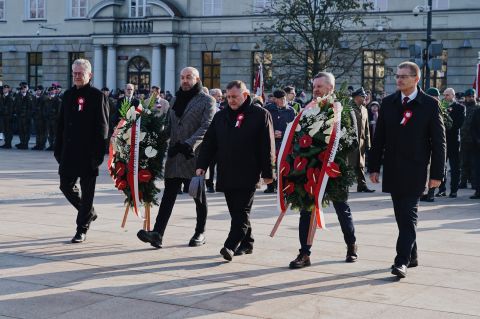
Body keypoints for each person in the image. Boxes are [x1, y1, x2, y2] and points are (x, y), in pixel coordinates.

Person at [369, 61, 446, 278]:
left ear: (416, 79)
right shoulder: (389, 103)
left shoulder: (429, 104)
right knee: (400, 216)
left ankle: (400, 261)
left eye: (404, 76)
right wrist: (374, 166)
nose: (399, 79)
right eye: (398, 76)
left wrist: (437, 174)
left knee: (409, 214)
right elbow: (379, 138)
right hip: (393, 168)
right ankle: (412, 255)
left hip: (416, 169)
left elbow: (439, 142)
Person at [136, 67, 216, 248]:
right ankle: (157, 233)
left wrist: (189, 143)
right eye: (182, 77)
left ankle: (200, 232)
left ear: (197, 79)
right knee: (168, 196)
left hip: (194, 157)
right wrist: (150, 141)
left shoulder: (207, 100)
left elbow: (207, 126)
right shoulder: (175, 100)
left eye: (189, 77)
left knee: (198, 196)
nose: (185, 81)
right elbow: (168, 126)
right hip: (174, 157)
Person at [196, 80, 275, 261]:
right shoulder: (220, 116)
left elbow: (267, 147)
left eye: (235, 97)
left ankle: (230, 245)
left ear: (245, 95)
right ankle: (247, 243)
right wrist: (202, 165)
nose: (231, 100)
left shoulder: (260, 114)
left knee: (241, 211)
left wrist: (269, 173)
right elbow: (209, 143)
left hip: (249, 172)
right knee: (236, 211)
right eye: (228, 97)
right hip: (226, 171)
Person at [289, 72, 359, 270]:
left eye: (319, 86)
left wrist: (330, 151)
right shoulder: (308, 110)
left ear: (331, 88)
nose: (315, 89)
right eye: (314, 86)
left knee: (341, 209)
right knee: (306, 210)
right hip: (311, 169)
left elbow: (353, 141)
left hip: (334, 170)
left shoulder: (343, 110)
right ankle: (304, 253)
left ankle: (351, 245)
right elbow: (298, 136)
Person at [54, 59, 109, 243]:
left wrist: (98, 154)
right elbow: (61, 124)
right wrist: (58, 148)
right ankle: (89, 212)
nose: (77, 76)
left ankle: (81, 228)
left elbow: (103, 128)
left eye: (81, 73)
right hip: (69, 151)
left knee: (88, 193)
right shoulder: (68, 94)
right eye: (75, 73)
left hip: (88, 153)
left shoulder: (97, 96)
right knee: (65, 186)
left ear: (89, 75)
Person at [264, 89, 296, 193]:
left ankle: (281, 185)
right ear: (275, 99)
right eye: (280, 99)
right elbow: (262, 125)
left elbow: (295, 127)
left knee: (284, 164)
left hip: (285, 141)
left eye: (284, 98)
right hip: (270, 141)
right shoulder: (267, 110)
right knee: (269, 164)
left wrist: (283, 133)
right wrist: (272, 132)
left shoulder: (291, 111)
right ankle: (270, 186)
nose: (283, 101)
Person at [437, 88, 465, 198]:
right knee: (441, 167)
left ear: (453, 95)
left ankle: (454, 190)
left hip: (453, 141)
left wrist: (447, 125)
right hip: (443, 141)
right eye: (444, 95)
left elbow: (459, 124)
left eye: (447, 95)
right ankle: (441, 189)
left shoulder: (460, 108)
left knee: (454, 167)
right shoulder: (441, 106)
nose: (445, 97)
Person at [350, 87, 374, 193]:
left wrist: (368, 142)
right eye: (363, 96)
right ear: (357, 97)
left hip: (361, 142)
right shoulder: (348, 108)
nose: (365, 97)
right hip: (350, 141)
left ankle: (362, 185)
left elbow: (367, 127)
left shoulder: (364, 109)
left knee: (361, 165)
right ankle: (343, 186)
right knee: (349, 164)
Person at [459, 88, 479, 189]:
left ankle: (475, 184)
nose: (470, 98)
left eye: (472, 96)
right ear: (465, 98)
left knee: (474, 163)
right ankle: (463, 182)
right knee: (464, 162)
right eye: (468, 97)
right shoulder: (463, 108)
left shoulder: (477, 108)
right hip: (464, 139)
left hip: (474, 140)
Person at [13, 84, 33, 149]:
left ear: (26, 89)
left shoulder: (29, 96)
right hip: (20, 117)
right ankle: (22, 142)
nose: (23, 90)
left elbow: (31, 108)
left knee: (26, 131)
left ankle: (25, 144)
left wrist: (28, 115)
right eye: (22, 89)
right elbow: (15, 105)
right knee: (21, 130)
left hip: (26, 117)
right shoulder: (18, 96)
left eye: (24, 89)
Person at [44, 87, 62, 151]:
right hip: (48, 119)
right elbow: (45, 109)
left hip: (54, 120)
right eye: (50, 91)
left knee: (55, 134)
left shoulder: (58, 100)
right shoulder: (47, 99)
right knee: (49, 133)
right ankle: (51, 145)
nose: (52, 91)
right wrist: (46, 115)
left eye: (53, 90)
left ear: (55, 91)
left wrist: (56, 118)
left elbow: (59, 111)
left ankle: (55, 146)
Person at [31, 85, 47, 150]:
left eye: (39, 90)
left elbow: (44, 108)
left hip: (42, 118)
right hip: (36, 117)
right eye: (37, 90)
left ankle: (42, 145)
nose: (37, 92)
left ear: (42, 91)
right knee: (38, 132)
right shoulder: (35, 97)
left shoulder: (44, 97)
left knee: (43, 132)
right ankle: (38, 144)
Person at [0, 85, 14, 149]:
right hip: (3, 116)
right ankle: (6, 143)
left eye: (6, 89)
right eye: (3, 89)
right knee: (5, 130)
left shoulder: (10, 97)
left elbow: (11, 108)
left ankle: (9, 144)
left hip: (8, 116)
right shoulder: (2, 97)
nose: (4, 90)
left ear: (8, 89)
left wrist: (10, 116)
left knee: (9, 131)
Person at [471, 106, 480, 199]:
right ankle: (478, 191)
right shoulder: (477, 111)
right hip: (478, 146)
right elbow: (472, 128)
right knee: (478, 169)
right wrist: (477, 140)